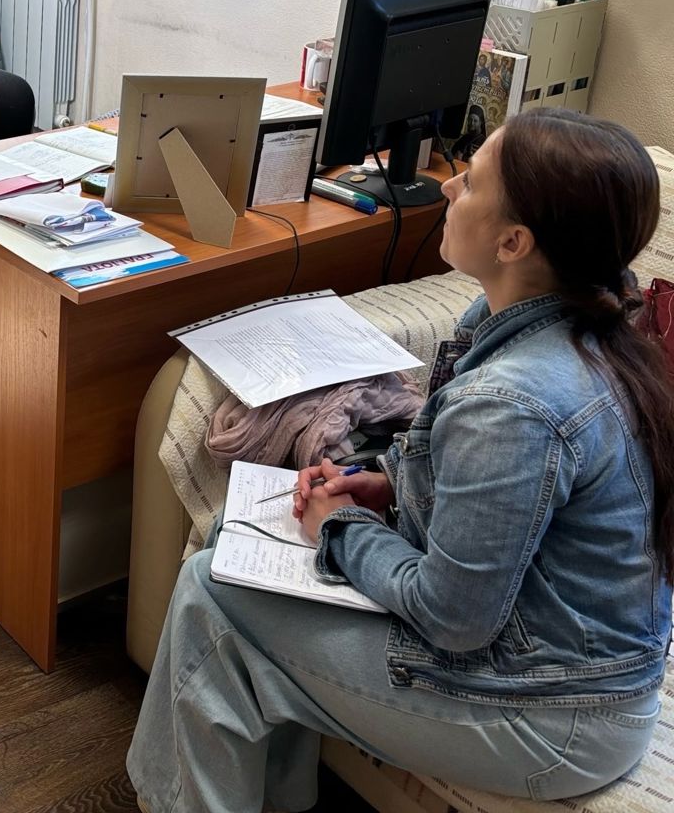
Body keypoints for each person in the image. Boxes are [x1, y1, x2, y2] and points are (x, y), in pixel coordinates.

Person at [128, 108, 673, 811]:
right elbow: (508, 502)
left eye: (469, 183)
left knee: (211, 592)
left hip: (552, 720)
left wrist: (340, 528)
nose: (447, 188)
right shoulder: (566, 327)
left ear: (513, 242)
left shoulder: (515, 401)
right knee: (234, 562)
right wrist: (384, 485)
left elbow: (453, 618)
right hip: (564, 672)